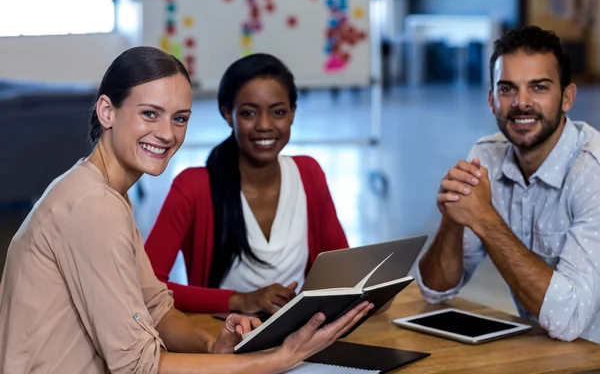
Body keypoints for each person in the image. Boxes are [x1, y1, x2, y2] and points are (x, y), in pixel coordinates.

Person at [0, 46, 373, 373]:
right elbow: (139, 366)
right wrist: (278, 359)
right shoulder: (93, 205)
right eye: (150, 114)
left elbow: (157, 307)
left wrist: (214, 347)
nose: (167, 133)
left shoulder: (105, 190)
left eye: (179, 118)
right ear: (106, 112)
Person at [417, 25, 600, 343]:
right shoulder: (487, 155)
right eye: (507, 89)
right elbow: (436, 289)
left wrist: (483, 218)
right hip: (543, 352)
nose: (521, 102)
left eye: (539, 87)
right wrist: (452, 219)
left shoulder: (592, 171)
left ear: (567, 97)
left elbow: (569, 320)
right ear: (491, 99)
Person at [144, 53, 349, 315]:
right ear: (228, 114)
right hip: (224, 339)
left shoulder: (308, 173)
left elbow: (342, 271)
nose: (265, 125)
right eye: (249, 113)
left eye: (278, 112)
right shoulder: (194, 187)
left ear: (293, 113)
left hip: (298, 336)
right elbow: (148, 288)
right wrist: (240, 300)